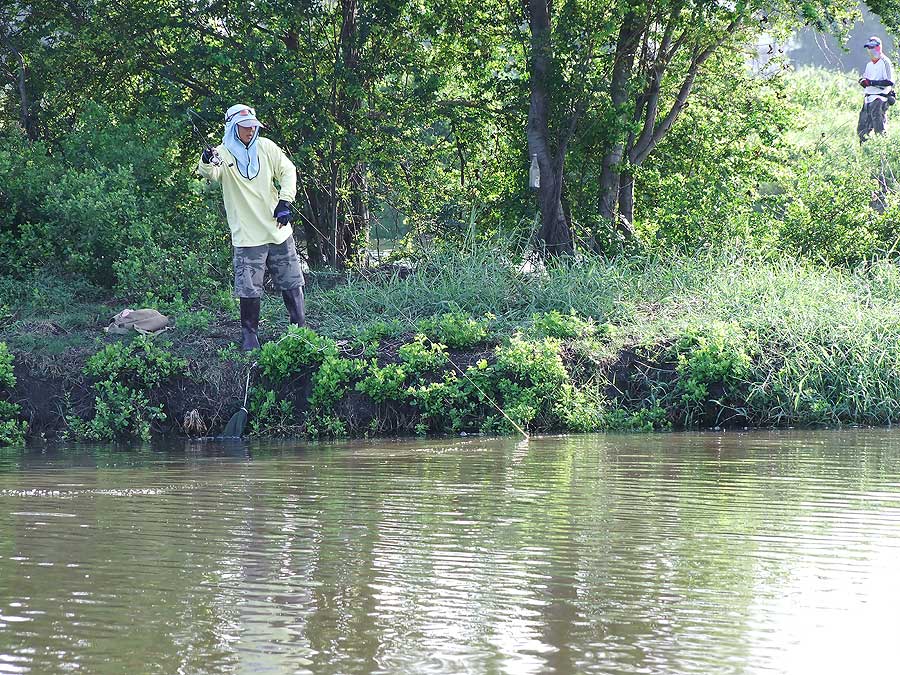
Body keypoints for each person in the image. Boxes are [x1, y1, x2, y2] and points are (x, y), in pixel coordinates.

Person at [198, 104, 306, 351]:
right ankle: (249, 336)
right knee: (249, 287)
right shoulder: (222, 154)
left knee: (292, 280)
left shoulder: (266, 147)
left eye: (253, 127)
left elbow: (288, 170)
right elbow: (210, 175)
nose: (250, 131)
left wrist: (285, 201)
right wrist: (206, 160)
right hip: (247, 235)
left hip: (277, 229)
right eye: (245, 127)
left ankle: (301, 329)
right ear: (233, 127)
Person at [857, 36, 894, 143]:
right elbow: (866, 80)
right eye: (868, 47)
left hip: (880, 99)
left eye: (872, 47)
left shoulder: (885, 62)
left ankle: (883, 155)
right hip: (868, 99)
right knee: (862, 130)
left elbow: (890, 81)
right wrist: (863, 82)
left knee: (880, 131)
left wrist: (872, 83)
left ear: (878, 48)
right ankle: (865, 154)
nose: (870, 50)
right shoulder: (869, 65)